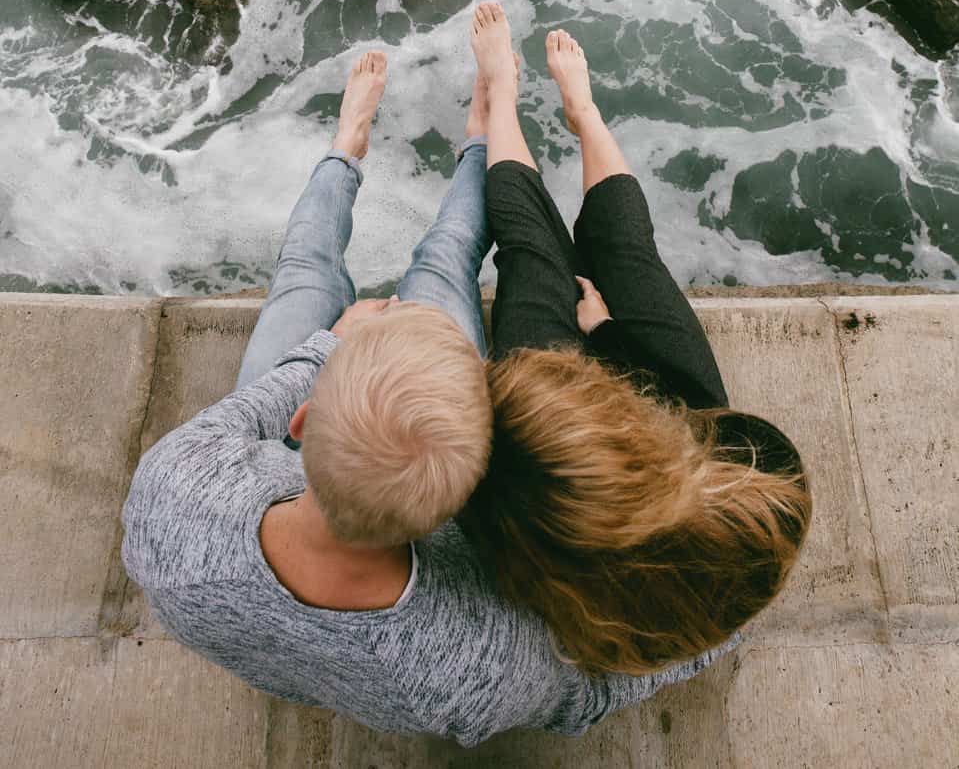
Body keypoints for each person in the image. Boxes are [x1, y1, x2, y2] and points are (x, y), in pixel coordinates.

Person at [122, 39, 738, 748]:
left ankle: (349, 147)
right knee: (443, 257)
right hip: (370, 464)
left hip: (299, 461)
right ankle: (477, 141)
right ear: (471, 495)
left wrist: (329, 349)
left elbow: (238, 419)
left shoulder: (174, 487)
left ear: (302, 415)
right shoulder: (479, 659)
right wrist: (719, 628)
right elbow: (591, 691)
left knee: (303, 276)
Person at [459, 2, 812, 677]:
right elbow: (687, 407)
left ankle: (501, 95)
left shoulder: (533, 534)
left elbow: (489, 507)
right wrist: (609, 335)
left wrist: (584, 348)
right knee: (626, 250)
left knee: (532, 254)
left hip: (571, 472)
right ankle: (582, 113)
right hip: (690, 415)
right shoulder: (754, 489)